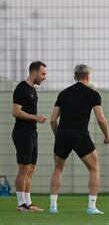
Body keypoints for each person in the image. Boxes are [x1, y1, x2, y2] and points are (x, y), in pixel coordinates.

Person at [49, 64, 109, 215]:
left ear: (75, 77)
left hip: (63, 134)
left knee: (58, 168)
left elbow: (52, 120)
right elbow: (101, 119)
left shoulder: (63, 94)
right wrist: (107, 135)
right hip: (80, 134)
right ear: (88, 77)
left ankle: (53, 206)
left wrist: (58, 135)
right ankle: (91, 207)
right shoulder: (93, 94)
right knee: (94, 168)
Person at [12, 61, 47, 212]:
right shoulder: (21, 88)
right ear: (34, 73)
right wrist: (35, 117)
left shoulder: (33, 89)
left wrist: (35, 120)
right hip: (22, 133)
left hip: (32, 133)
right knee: (23, 168)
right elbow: (16, 111)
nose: (44, 77)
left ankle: (28, 203)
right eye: (43, 73)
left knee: (31, 168)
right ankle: (21, 204)